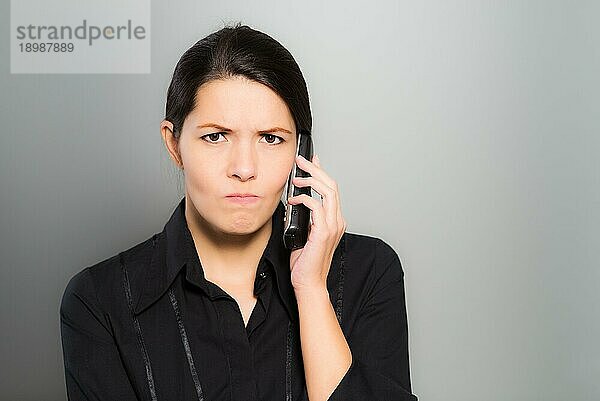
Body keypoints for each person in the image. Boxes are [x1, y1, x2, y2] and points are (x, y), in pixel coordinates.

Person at [60, 22, 418, 401]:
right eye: (216, 136)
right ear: (174, 144)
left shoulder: (369, 272)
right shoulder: (100, 301)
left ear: (302, 153)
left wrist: (311, 291)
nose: (244, 169)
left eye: (271, 139)